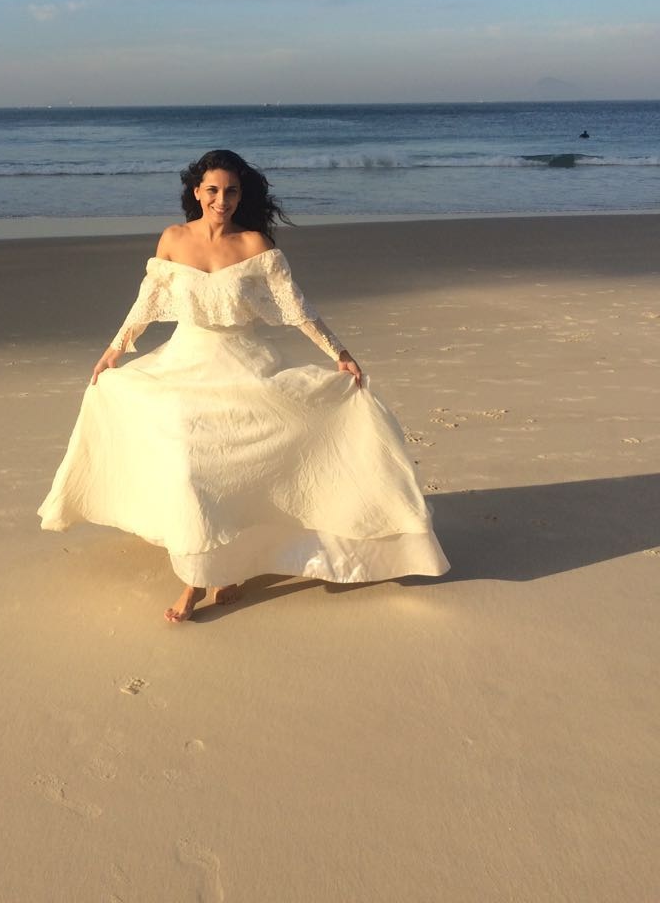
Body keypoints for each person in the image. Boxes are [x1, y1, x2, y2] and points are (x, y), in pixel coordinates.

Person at [38, 149, 449, 622]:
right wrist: (115, 349)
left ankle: (215, 572)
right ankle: (202, 576)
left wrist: (339, 353)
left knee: (236, 467)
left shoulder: (255, 244)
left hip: (245, 365)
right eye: (213, 190)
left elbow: (298, 310)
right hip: (184, 365)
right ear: (197, 192)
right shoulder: (173, 239)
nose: (222, 199)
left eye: (231, 191)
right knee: (191, 464)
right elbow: (146, 303)